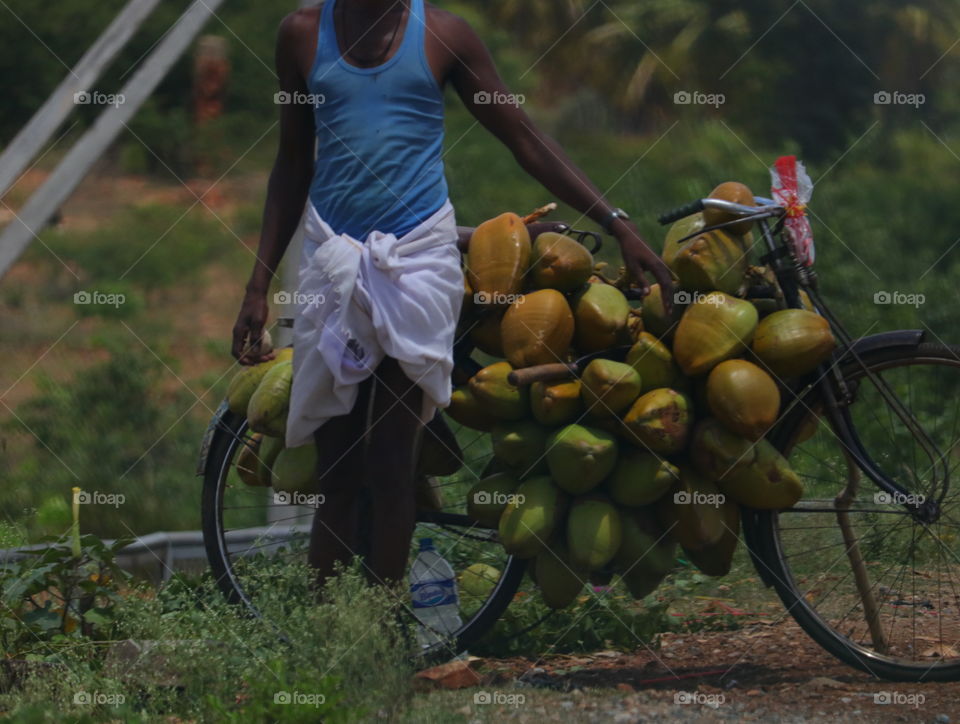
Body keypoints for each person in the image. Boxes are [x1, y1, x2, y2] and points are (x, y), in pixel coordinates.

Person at [231, 0, 674, 588]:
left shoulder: (443, 35)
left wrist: (617, 224)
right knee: (335, 471)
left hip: (417, 264)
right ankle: (331, 642)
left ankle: (384, 636)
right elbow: (292, 162)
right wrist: (258, 283)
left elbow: (524, 137)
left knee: (391, 466)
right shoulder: (302, 34)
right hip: (332, 260)